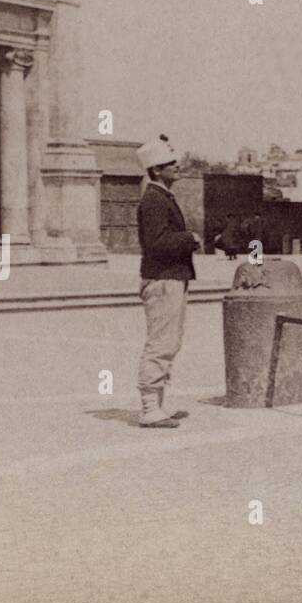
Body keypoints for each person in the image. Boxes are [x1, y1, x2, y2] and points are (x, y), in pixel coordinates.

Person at [135, 135, 200, 428]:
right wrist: (190, 239)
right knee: (161, 343)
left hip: (170, 278)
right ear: (157, 170)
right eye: (170, 164)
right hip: (164, 280)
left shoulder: (160, 198)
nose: (177, 167)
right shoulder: (154, 201)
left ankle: (157, 405)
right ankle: (150, 409)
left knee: (169, 341)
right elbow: (156, 242)